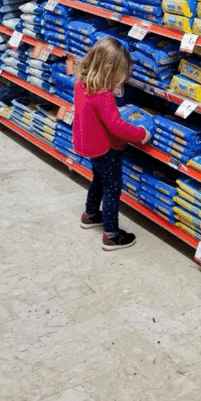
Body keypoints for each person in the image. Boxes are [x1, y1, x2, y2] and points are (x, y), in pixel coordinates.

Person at [73, 37, 151, 251]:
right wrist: (139, 133)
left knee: (97, 179)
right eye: (121, 73)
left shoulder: (82, 85)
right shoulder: (103, 96)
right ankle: (112, 235)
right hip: (106, 149)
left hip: (89, 146)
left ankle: (90, 214)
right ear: (108, 68)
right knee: (112, 188)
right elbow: (116, 126)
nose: (124, 79)